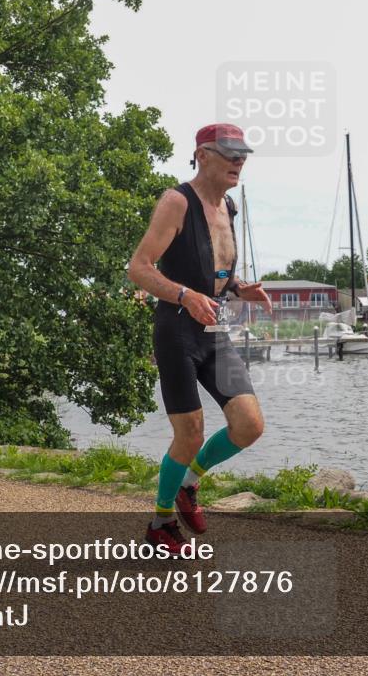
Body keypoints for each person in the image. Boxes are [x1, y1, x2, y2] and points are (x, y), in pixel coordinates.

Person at [127, 123, 272, 554]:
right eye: (229, 154)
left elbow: (214, 271)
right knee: (189, 433)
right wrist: (185, 296)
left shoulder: (228, 205)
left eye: (242, 154)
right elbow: (139, 267)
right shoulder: (177, 202)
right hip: (175, 328)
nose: (239, 161)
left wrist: (239, 288)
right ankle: (161, 521)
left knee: (249, 425)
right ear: (203, 155)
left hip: (212, 327)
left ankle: (189, 485)